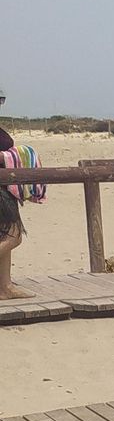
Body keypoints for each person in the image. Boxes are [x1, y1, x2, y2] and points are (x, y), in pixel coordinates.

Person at [0, 123, 30, 300]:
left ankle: (5, 286)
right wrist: (6, 157)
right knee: (14, 236)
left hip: (6, 188)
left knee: (5, 236)